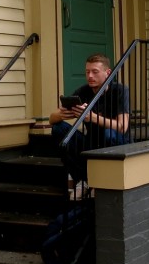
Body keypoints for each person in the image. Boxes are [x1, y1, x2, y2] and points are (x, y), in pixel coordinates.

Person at [50, 53, 130, 183]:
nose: (90, 76)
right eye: (87, 72)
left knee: (109, 133)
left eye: (95, 72)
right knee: (58, 128)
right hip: (91, 142)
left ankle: (104, 181)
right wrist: (63, 114)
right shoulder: (83, 91)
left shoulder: (120, 91)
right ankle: (85, 180)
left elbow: (122, 127)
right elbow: (51, 119)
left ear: (108, 73)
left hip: (117, 143)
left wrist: (91, 117)